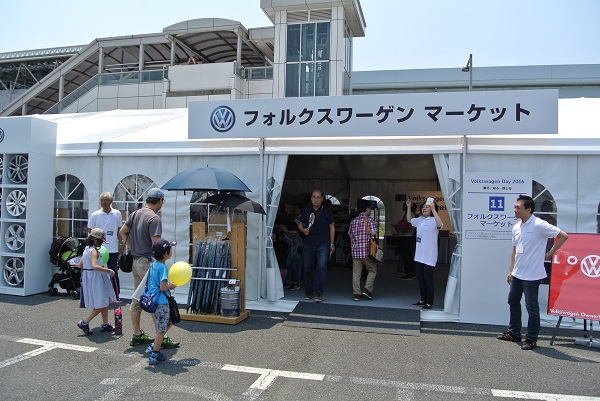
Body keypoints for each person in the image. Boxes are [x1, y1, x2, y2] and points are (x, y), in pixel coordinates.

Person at [497, 195, 568, 350]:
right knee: (513, 301)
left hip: (533, 275)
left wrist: (550, 253)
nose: (515, 210)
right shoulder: (516, 226)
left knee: (531, 307)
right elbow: (515, 250)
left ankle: (531, 339)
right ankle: (514, 332)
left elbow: (563, 236)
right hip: (517, 273)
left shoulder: (539, 224)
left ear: (528, 209)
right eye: (515, 207)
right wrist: (511, 270)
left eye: (518, 207)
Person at [119, 187, 179, 349]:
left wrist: (131, 247)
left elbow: (123, 231)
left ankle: (137, 334)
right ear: (160, 200)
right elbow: (156, 245)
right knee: (157, 299)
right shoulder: (154, 218)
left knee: (137, 298)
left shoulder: (135, 214)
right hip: (147, 262)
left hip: (135, 261)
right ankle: (161, 337)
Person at [76, 228, 116, 335]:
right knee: (101, 303)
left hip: (88, 277)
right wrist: (108, 270)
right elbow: (95, 266)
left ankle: (105, 323)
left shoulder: (86, 249)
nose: (102, 243)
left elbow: (80, 265)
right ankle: (85, 322)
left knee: (104, 300)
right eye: (101, 241)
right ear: (95, 240)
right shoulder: (94, 251)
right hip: (96, 278)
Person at [144, 238, 178, 365]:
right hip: (161, 302)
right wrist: (171, 286)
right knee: (161, 330)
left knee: (169, 322)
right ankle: (155, 354)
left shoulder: (153, 265)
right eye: (170, 249)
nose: (171, 251)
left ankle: (154, 345)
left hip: (153, 301)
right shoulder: (163, 268)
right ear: (165, 254)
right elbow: (163, 287)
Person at [297, 189, 335, 302]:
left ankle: (318, 293)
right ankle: (308, 292)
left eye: (318, 197)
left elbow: (332, 228)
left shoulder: (327, 211)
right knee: (307, 268)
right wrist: (303, 230)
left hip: (323, 243)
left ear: (322, 199)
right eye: (314, 197)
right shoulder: (306, 210)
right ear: (311, 198)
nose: (316, 199)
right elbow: (300, 224)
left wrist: (332, 244)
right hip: (308, 243)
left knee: (321, 268)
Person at [406, 198, 443, 310]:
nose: (424, 208)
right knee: (420, 278)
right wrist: (409, 207)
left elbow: (440, 224)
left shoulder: (434, 220)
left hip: (429, 255)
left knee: (428, 279)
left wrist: (434, 209)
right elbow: (409, 220)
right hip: (419, 255)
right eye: (423, 207)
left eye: (427, 207)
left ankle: (429, 302)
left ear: (432, 209)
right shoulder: (420, 220)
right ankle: (423, 299)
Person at [87, 192, 123, 298]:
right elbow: (90, 230)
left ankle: (116, 294)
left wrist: (121, 243)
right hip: (99, 248)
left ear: (111, 201)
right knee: (99, 271)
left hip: (113, 248)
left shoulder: (117, 213)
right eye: (102, 200)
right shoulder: (95, 214)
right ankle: (100, 294)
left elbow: (119, 230)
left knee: (113, 271)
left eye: (105, 200)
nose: (103, 202)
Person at [348, 199, 378, 301]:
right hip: (366, 251)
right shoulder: (370, 220)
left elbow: (350, 236)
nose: (371, 210)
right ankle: (367, 290)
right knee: (372, 270)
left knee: (356, 273)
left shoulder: (353, 221)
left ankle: (356, 294)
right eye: (370, 208)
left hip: (355, 252)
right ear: (367, 209)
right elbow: (374, 233)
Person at [394, 201, 417, 280]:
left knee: (406, 256)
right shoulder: (410, 214)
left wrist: (400, 230)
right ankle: (412, 272)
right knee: (409, 256)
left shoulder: (409, 215)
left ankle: (409, 273)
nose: (402, 207)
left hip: (407, 237)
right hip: (407, 237)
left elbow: (409, 228)